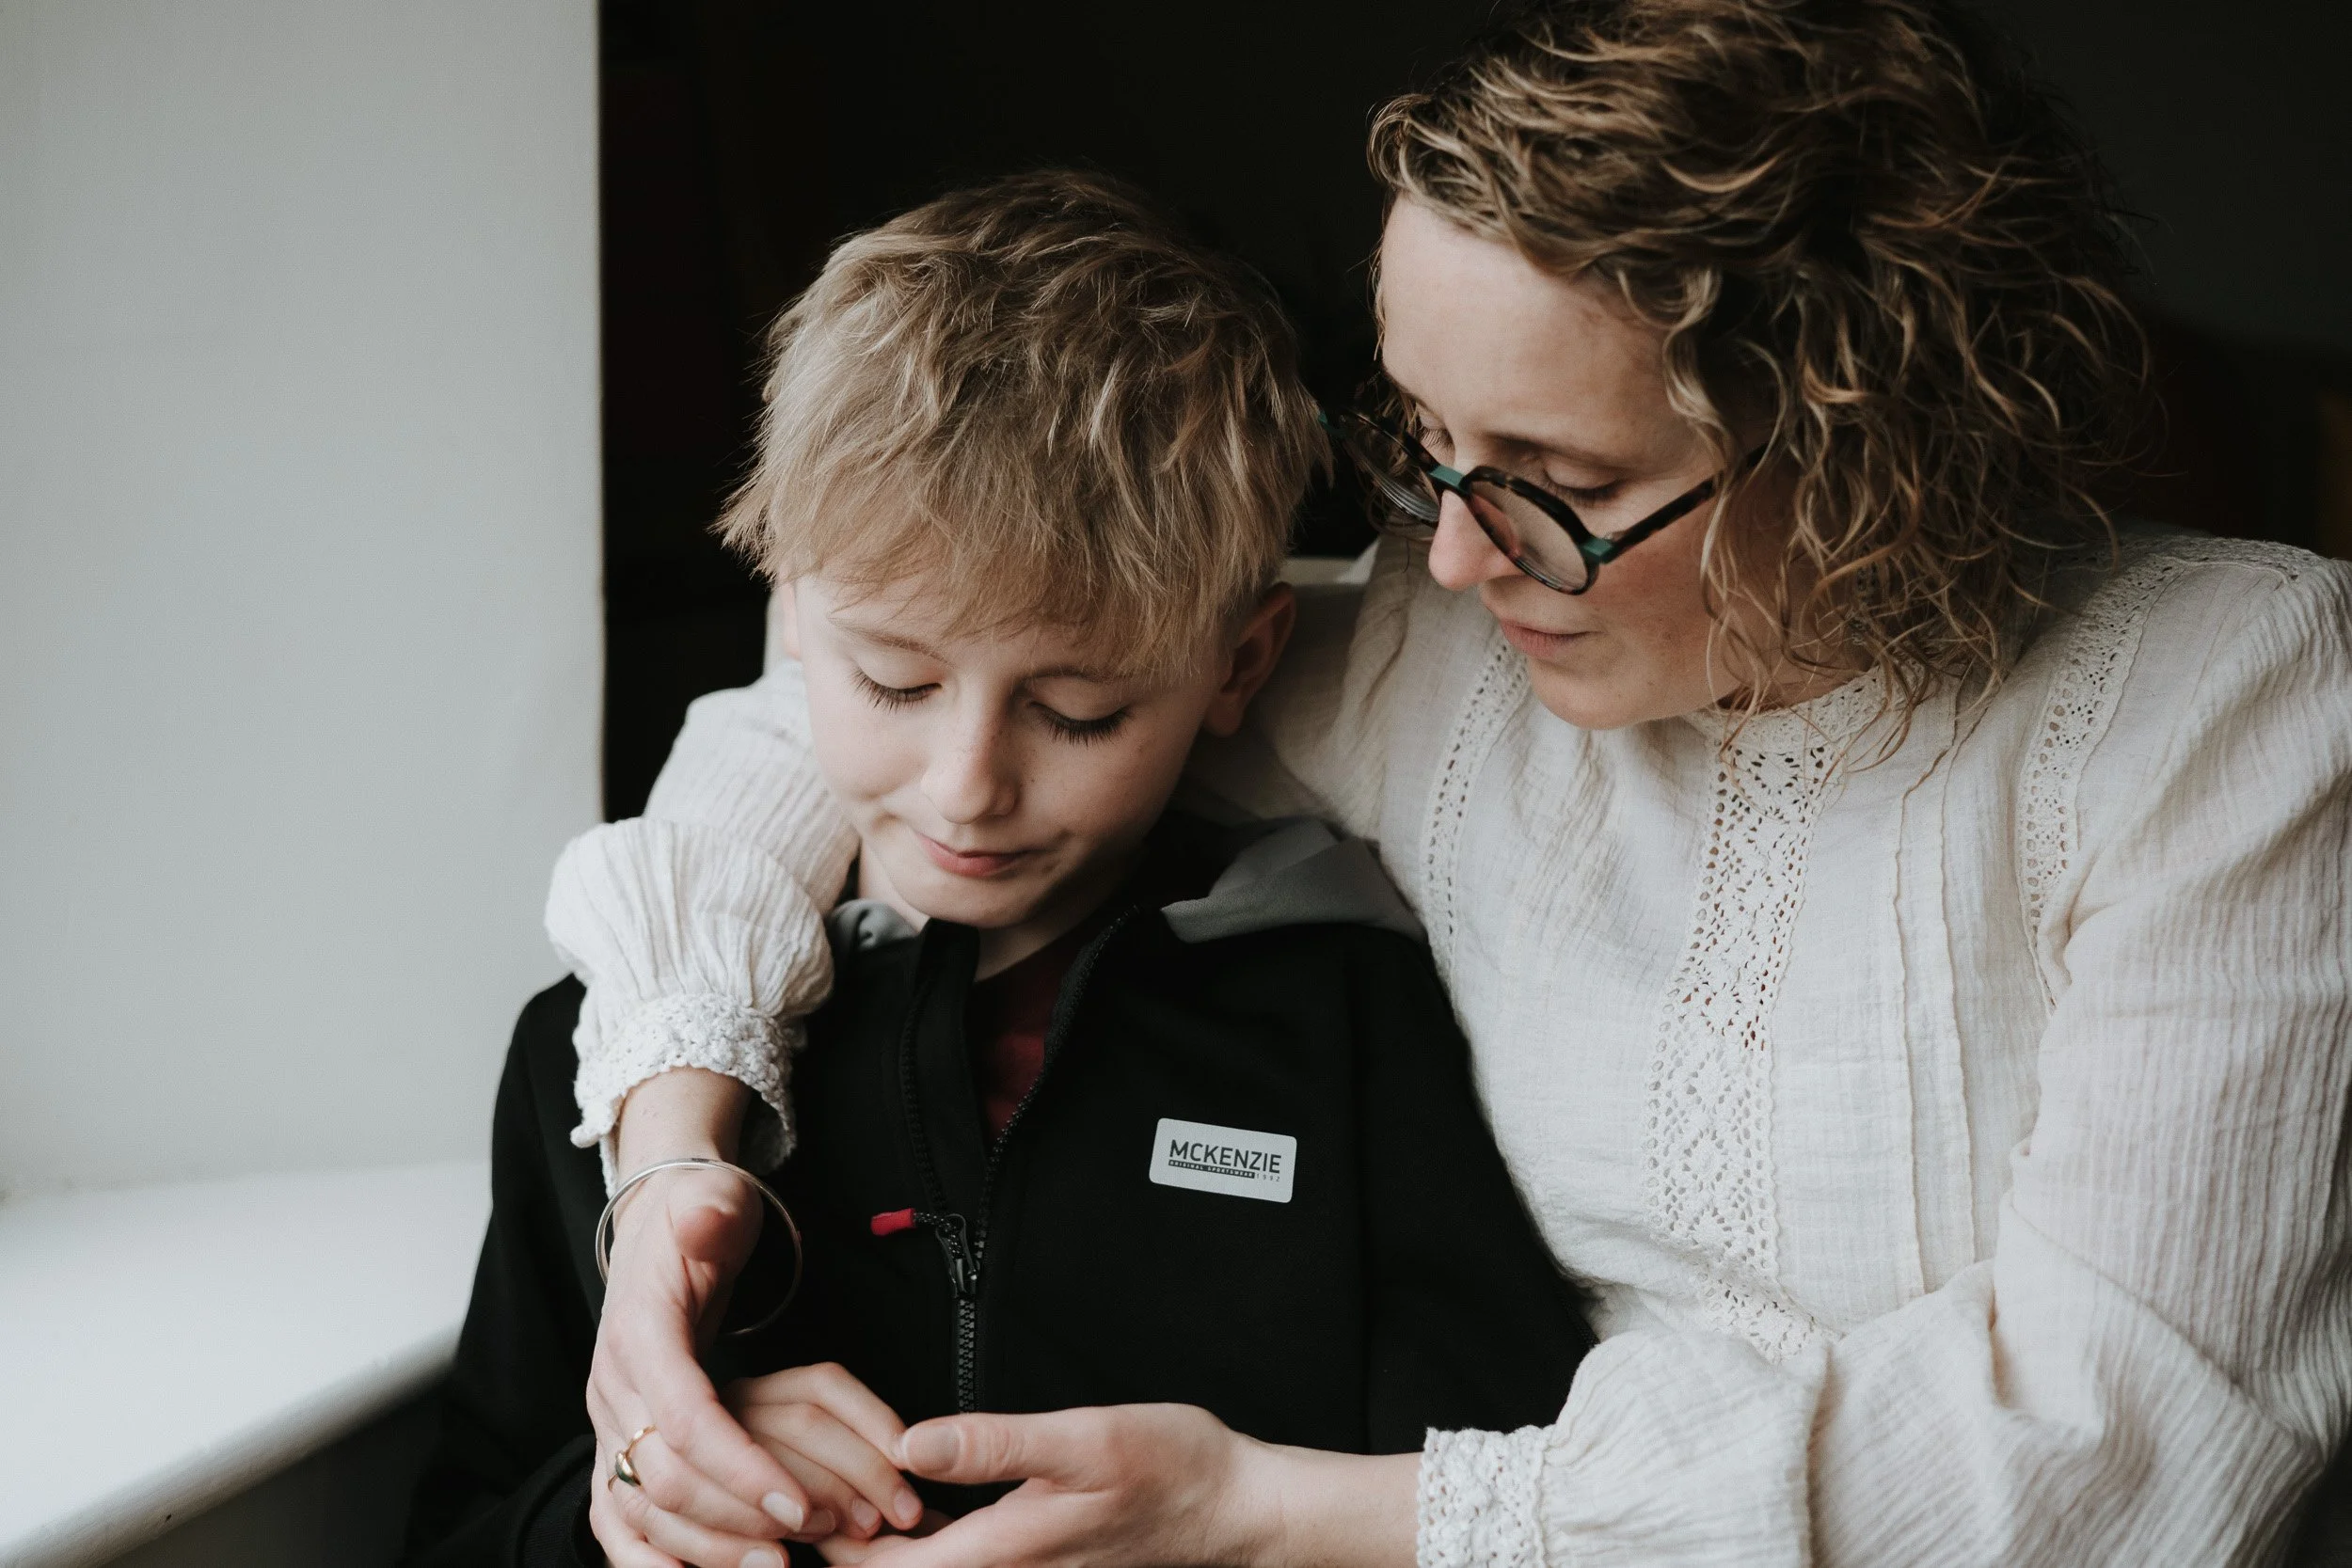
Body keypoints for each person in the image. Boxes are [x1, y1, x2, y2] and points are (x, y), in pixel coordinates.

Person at [552, 1, 2352, 1563]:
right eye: (1422, 444)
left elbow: (2126, 1456)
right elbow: (839, 715)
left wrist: (1270, 1511)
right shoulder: (1456, 661)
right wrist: (669, 1175)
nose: (1453, 561)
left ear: (1861, 444)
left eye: (1549, 477)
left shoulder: (2240, 706)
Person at [403, 172, 1592, 1568]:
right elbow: (467, 1530)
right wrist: (645, 1502)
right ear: (793, 615)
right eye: (893, 680)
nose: (971, 783)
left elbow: (1512, 1509)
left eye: (1080, 710)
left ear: (1238, 664)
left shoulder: (1349, 1026)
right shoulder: (597, 1060)